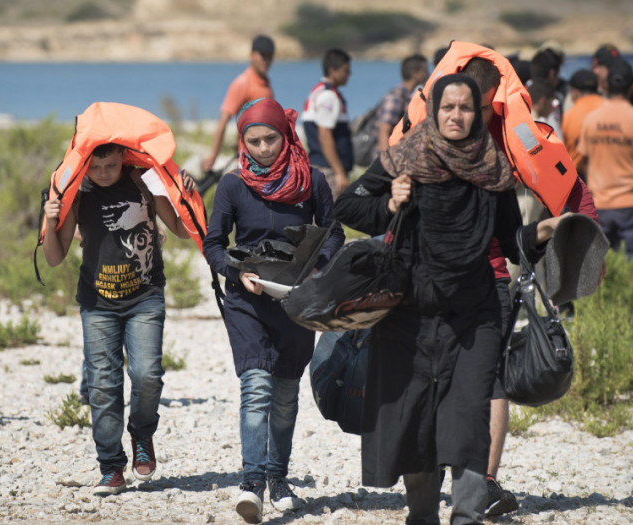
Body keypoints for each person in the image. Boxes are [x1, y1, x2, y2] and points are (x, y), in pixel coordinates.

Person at [334, 74, 564, 525]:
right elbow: (348, 207)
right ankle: (422, 516)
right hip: (408, 314)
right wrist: (389, 205)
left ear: (477, 114)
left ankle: (467, 515)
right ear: (433, 111)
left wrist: (545, 231)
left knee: (468, 414)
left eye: (465, 108)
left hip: (474, 312)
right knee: (415, 415)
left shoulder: (494, 167)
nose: (456, 116)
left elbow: (509, 239)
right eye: (448, 108)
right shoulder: (406, 157)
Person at [202, 97, 344, 524]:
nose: (263, 148)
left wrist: (317, 268)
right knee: (256, 388)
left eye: (270, 139)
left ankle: (279, 478)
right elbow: (213, 243)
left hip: (297, 302)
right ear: (242, 143)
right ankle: (252, 482)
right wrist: (235, 271)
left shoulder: (311, 181)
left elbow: (333, 232)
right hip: (247, 300)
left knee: (285, 395)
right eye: (254, 141)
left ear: (285, 137)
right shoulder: (232, 186)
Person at [42, 140, 197, 496]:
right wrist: (50, 221)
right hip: (97, 304)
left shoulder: (145, 181)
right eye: (95, 167)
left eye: (110, 165)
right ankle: (111, 467)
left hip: (144, 298)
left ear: (123, 159)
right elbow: (53, 258)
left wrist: (185, 196)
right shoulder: (76, 192)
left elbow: (181, 229)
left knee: (147, 375)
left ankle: (142, 433)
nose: (102, 173)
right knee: (102, 386)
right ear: (84, 165)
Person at [579, 59, 633, 259]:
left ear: (606, 85)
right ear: (632, 88)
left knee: (598, 266)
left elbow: (582, 160)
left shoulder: (591, 119)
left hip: (599, 202)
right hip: (632, 202)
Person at [201, 35, 276, 174]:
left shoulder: (266, 82)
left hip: (266, 156)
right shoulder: (242, 83)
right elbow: (223, 120)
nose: (266, 60)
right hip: (248, 159)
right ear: (252, 55)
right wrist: (213, 155)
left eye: (269, 56)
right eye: (262, 55)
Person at [301, 48, 353, 198]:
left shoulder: (319, 91)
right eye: (346, 70)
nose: (349, 74)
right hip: (327, 169)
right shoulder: (328, 96)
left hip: (323, 166)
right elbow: (324, 135)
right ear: (332, 70)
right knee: (329, 218)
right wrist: (339, 172)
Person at [372, 54, 429, 161]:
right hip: (389, 159)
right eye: (425, 70)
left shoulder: (408, 95)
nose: (428, 74)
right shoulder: (396, 97)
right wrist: (387, 160)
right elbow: (384, 130)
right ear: (415, 74)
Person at [562, 69, 604, 180]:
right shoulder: (612, 109)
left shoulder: (568, 116)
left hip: (580, 178)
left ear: (574, 91)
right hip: (610, 174)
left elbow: (565, 151)